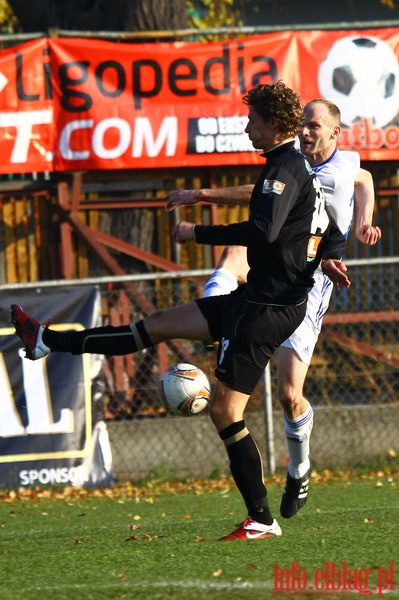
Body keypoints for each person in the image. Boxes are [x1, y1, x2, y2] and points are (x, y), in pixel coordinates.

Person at [10, 82, 351, 541]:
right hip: (255, 302)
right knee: (154, 326)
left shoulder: (285, 168)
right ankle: (47, 341)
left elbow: (265, 230)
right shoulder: (289, 167)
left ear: (272, 124)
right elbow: (319, 220)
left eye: (253, 120)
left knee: (226, 414)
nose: (247, 126)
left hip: (265, 311)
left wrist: (198, 234)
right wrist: (326, 254)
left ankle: (261, 519)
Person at [165, 98, 382, 518]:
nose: (305, 130)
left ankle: (298, 469)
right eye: (302, 123)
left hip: (310, 280)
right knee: (234, 255)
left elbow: (365, 179)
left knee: (287, 394)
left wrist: (363, 220)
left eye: (314, 125)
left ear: (335, 133)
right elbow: (257, 195)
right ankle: (221, 330)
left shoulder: (343, 164)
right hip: (276, 261)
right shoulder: (292, 161)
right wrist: (202, 194)